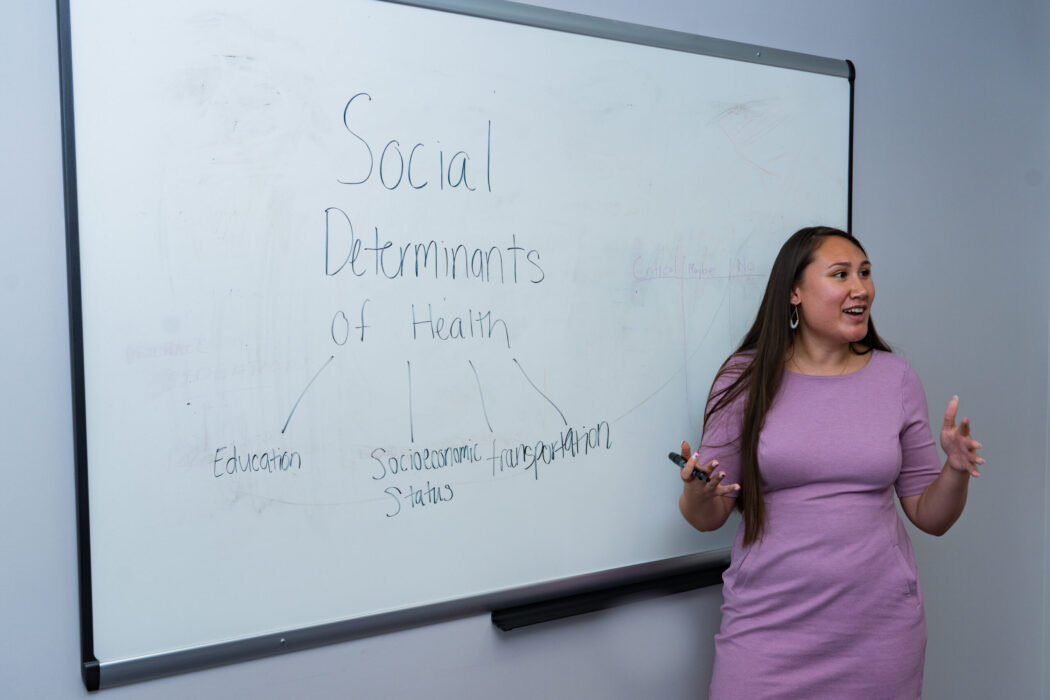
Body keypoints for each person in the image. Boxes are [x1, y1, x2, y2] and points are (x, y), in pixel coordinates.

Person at [677, 226, 983, 699]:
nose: (860, 288)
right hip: (767, 627)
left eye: (864, 273)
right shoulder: (744, 378)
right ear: (794, 292)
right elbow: (708, 515)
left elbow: (930, 515)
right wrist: (697, 492)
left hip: (880, 631)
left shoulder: (895, 377)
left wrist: (955, 471)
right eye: (840, 274)